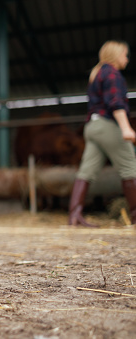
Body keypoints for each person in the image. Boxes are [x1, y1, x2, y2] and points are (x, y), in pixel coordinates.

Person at [69, 40, 136, 227]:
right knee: (130, 167)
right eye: (125, 54)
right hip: (107, 125)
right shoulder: (113, 74)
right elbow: (116, 102)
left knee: (86, 171)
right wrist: (125, 127)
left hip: (92, 127)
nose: (127, 59)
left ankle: (74, 217)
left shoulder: (97, 73)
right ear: (115, 55)